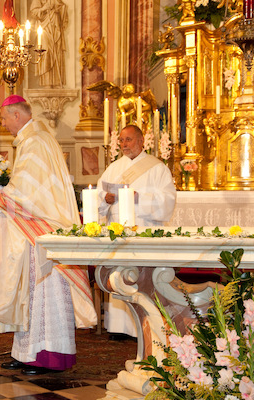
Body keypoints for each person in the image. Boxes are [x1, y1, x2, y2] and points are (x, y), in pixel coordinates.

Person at [0, 95, 96, 375]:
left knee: (43, 294)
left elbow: (26, 193)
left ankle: (47, 357)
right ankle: (26, 353)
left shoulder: (35, 142)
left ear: (17, 116)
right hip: (35, 231)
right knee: (30, 294)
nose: (2, 123)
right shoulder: (35, 139)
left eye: (4, 118)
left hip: (42, 231)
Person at [97, 124, 176, 337]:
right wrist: (106, 198)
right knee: (121, 276)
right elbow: (98, 196)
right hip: (119, 232)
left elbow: (168, 200)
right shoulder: (114, 168)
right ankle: (120, 328)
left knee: (143, 279)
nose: (124, 144)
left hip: (145, 231)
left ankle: (149, 325)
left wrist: (139, 198)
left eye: (129, 140)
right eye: (121, 140)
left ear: (141, 141)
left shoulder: (157, 168)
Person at [30, 0, 68, 87]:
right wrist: (44, 8)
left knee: (57, 51)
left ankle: (57, 82)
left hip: (55, 26)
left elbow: (62, 7)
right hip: (43, 29)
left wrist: (57, 9)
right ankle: (46, 82)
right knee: (45, 51)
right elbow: (34, 13)